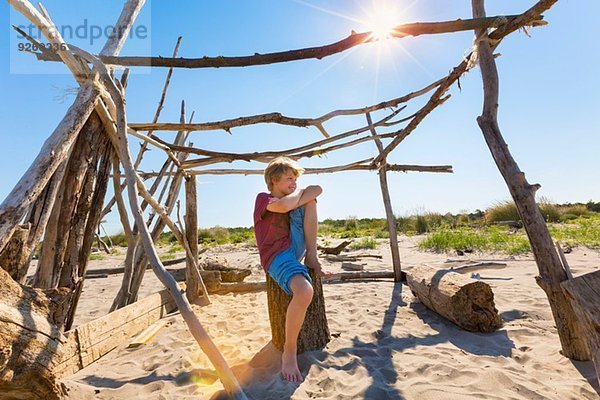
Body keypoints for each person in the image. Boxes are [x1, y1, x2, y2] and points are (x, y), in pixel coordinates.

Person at [253, 156, 327, 382]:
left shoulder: (294, 195)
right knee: (304, 291)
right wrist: (302, 193)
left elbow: (317, 188)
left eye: (296, 179)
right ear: (274, 180)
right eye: (289, 179)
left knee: (310, 201)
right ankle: (289, 351)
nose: (294, 183)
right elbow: (284, 205)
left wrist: (304, 193)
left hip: (295, 247)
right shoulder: (263, 198)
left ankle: (312, 258)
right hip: (276, 254)